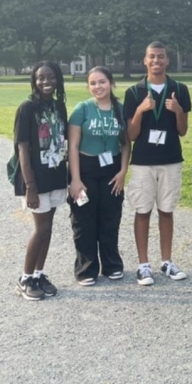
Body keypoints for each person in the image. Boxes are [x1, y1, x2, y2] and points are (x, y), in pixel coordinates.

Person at [123, 42, 192, 286]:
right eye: (151, 57)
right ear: (145, 60)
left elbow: (183, 131)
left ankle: (167, 261)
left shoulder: (179, 89)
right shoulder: (134, 92)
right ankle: (143, 265)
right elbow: (131, 135)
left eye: (160, 57)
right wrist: (141, 110)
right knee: (143, 211)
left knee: (166, 210)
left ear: (167, 61)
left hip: (171, 160)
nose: (156, 61)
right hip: (143, 162)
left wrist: (178, 111)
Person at [67, 67, 130, 285]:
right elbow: (73, 146)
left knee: (110, 218)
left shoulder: (120, 110)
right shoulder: (82, 109)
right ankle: (86, 269)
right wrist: (75, 179)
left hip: (112, 168)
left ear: (111, 84)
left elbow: (125, 143)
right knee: (84, 220)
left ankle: (112, 264)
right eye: (93, 83)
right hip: (85, 168)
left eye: (102, 82)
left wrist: (123, 171)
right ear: (88, 86)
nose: (98, 87)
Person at [13, 61, 69, 301]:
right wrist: (30, 187)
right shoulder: (27, 109)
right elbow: (22, 149)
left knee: (49, 227)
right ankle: (25, 278)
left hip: (55, 175)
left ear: (58, 79)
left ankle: (39, 274)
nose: (46, 82)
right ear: (34, 81)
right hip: (35, 179)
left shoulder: (58, 106)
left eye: (51, 77)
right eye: (41, 78)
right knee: (41, 228)